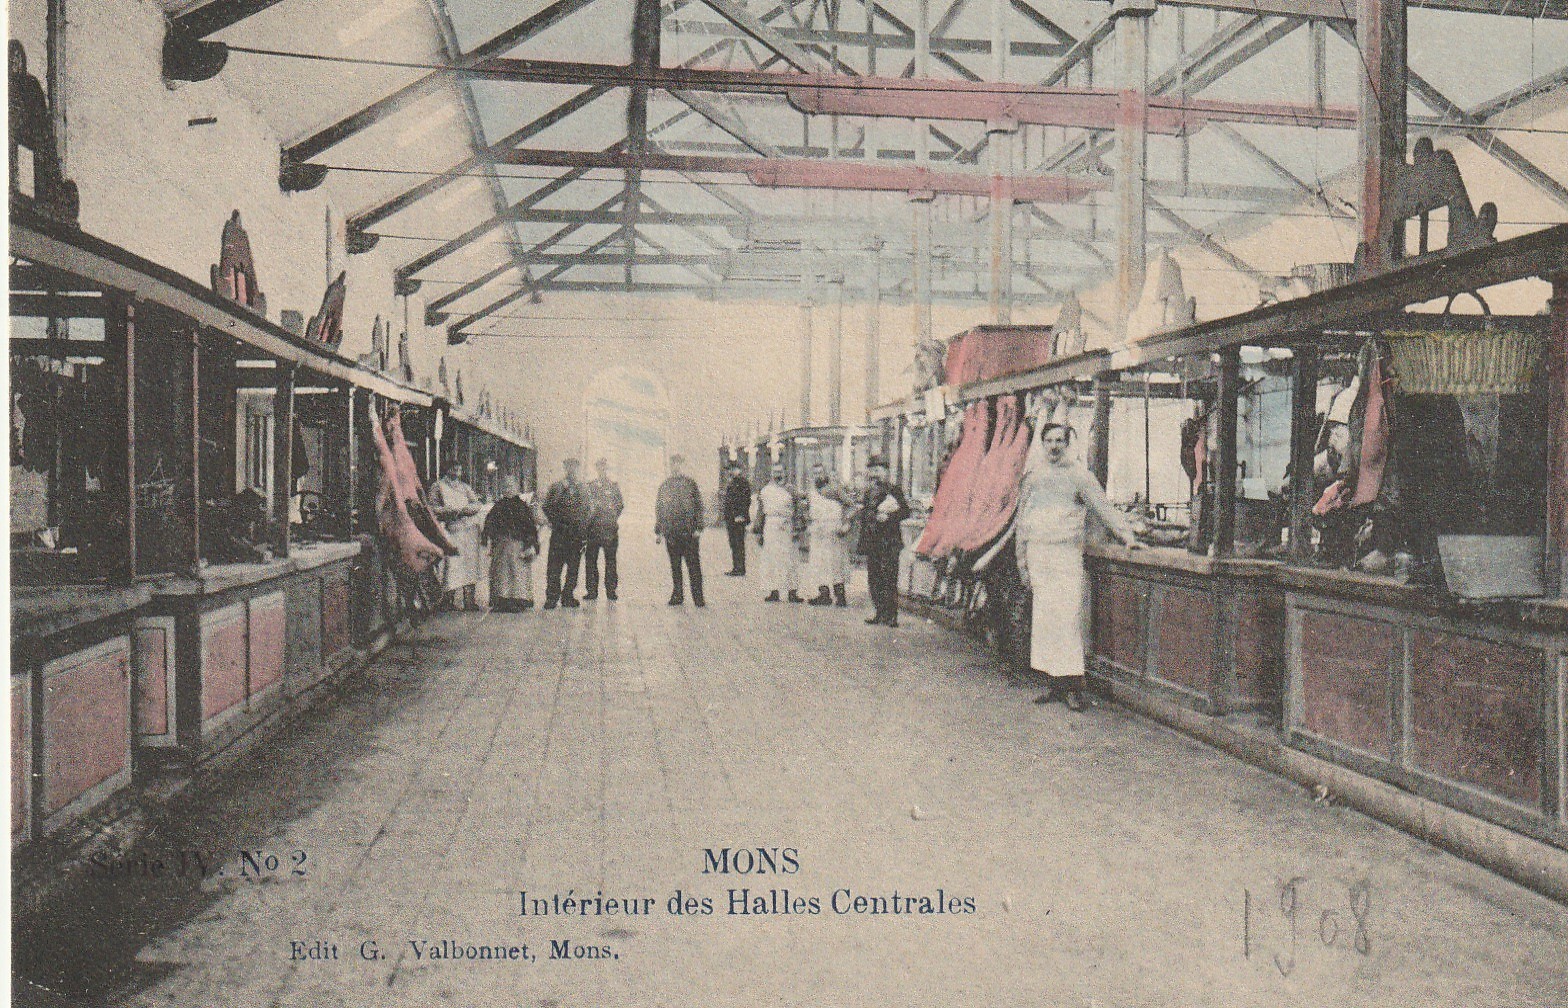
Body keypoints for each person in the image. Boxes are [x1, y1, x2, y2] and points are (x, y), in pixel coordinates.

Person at [1015, 423, 1142, 712]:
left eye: (1059, 440)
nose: (1054, 446)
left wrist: (1127, 536)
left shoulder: (1079, 476)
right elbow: (1022, 521)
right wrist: (1022, 562)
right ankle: (1054, 684)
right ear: (1043, 444)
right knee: (1046, 621)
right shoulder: (1033, 477)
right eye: (1049, 441)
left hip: (1066, 555)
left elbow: (1103, 507)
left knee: (1068, 619)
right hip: (1039, 555)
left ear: (1067, 444)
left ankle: (1074, 687)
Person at [858, 456, 910, 626]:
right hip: (873, 541)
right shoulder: (868, 492)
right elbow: (865, 515)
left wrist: (889, 517)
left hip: (889, 541)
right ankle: (879, 612)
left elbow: (905, 512)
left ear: (886, 472)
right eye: (872, 470)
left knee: (889, 578)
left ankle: (892, 615)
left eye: (878, 470)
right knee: (874, 578)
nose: (875, 474)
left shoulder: (894, 490)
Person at [429, 460, 484, 611]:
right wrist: (447, 511)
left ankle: (469, 600)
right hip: (451, 529)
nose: (457, 473)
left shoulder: (465, 487)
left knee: (470, 564)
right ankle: (448, 600)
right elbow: (432, 507)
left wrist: (467, 510)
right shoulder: (438, 486)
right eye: (454, 469)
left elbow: (476, 504)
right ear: (447, 470)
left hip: (468, 530)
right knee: (451, 565)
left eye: (459, 470)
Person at [654, 454, 705, 607]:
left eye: (678, 463)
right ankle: (678, 595)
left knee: (693, 565)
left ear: (683, 465)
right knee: (675, 566)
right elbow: (660, 509)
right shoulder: (665, 486)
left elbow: (699, 506)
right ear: (670, 466)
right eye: (673, 464)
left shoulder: (690, 484)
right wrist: (659, 531)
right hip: (672, 532)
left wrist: (699, 527)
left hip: (689, 532)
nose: (676, 466)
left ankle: (698, 597)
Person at [482, 475, 539, 612]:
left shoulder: (523, 506)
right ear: (502, 489)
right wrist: (487, 539)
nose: (508, 489)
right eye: (506, 487)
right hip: (501, 545)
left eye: (511, 486)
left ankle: (518, 600)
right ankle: (501, 600)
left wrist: (531, 544)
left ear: (517, 488)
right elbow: (489, 523)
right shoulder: (498, 506)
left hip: (519, 545)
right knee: (501, 573)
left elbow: (530, 527)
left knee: (518, 572)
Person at [541, 457, 589, 609]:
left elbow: (588, 510)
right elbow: (546, 506)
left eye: (574, 467)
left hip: (576, 534)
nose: (572, 470)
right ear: (565, 468)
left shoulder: (583, 488)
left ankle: (568, 595)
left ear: (577, 469)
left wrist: (582, 528)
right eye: (569, 467)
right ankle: (552, 597)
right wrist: (555, 521)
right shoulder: (556, 487)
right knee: (554, 567)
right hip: (559, 532)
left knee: (573, 567)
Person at [805, 462, 854, 607]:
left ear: (825, 473)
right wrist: (808, 520)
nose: (818, 476)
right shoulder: (811, 492)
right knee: (818, 563)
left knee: (836, 562)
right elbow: (808, 510)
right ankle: (824, 595)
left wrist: (845, 524)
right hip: (817, 531)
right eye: (815, 473)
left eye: (820, 472)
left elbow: (852, 506)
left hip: (833, 530)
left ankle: (840, 596)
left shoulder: (835, 489)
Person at [754, 462, 803, 603]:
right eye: (775, 472)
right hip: (771, 526)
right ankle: (773, 591)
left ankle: (792, 591)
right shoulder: (765, 491)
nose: (778, 474)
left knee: (790, 558)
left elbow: (798, 510)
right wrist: (758, 531)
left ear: (784, 473)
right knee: (772, 559)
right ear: (771, 473)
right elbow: (760, 512)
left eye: (780, 471)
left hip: (787, 525)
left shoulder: (791, 490)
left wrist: (797, 528)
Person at [583, 457, 624, 601]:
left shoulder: (613, 486)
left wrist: (611, 517)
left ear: (606, 469)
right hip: (593, 530)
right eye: (599, 467)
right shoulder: (590, 486)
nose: (602, 470)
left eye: (604, 468)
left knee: (610, 561)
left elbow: (620, 505)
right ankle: (592, 591)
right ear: (596, 469)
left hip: (609, 530)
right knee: (591, 561)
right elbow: (585, 505)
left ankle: (611, 591)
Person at [721, 461, 753, 576]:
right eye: (729, 469)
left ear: (738, 470)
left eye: (732, 469)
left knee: (739, 543)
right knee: (733, 543)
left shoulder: (742, 483)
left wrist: (741, 515)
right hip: (731, 519)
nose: (730, 471)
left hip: (738, 518)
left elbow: (746, 500)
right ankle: (736, 567)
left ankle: (740, 568)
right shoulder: (732, 482)